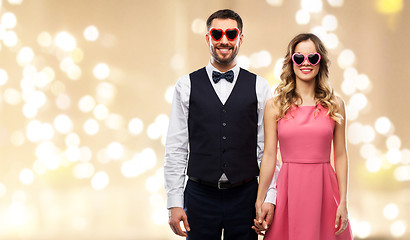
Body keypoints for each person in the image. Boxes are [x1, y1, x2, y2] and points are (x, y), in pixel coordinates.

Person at [164, 9, 280, 240]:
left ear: (240, 38)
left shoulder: (260, 86)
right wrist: (174, 202)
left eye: (231, 33)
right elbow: (176, 147)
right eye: (217, 34)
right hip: (199, 195)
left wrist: (269, 196)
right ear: (208, 38)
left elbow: (267, 150)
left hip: (246, 195)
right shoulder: (185, 85)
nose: (224, 40)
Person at [254, 33, 353, 239]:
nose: (305, 63)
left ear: (320, 62)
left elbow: (341, 155)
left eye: (312, 58)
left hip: (325, 191)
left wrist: (343, 201)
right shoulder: (274, 105)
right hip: (288, 191)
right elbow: (270, 155)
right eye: (299, 58)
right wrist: (260, 198)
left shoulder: (336, 104)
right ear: (291, 62)